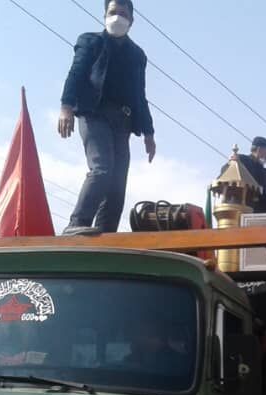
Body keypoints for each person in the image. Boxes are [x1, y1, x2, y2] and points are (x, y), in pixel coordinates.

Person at [59, 0, 156, 235]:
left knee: (118, 182)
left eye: (123, 14)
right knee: (103, 169)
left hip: (122, 122)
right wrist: (66, 107)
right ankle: (77, 223)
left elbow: (139, 95)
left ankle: (106, 233)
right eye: (113, 12)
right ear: (104, 16)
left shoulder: (137, 55)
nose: (117, 17)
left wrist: (149, 133)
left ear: (131, 21)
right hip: (95, 114)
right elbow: (77, 73)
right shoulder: (91, 41)